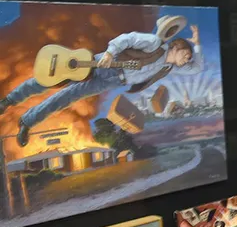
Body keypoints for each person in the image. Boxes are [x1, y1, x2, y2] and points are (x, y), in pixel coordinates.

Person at [0, 20, 201, 147]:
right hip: (104, 64)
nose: (188, 59)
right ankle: (10, 99)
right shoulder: (154, 43)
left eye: (189, 57)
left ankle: (27, 122)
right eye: (187, 54)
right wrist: (109, 53)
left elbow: (197, 68)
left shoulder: (168, 68)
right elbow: (127, 38)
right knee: (50, 77)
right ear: (177, 47)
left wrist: (197, 44)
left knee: (65, 97)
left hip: (113, 81)